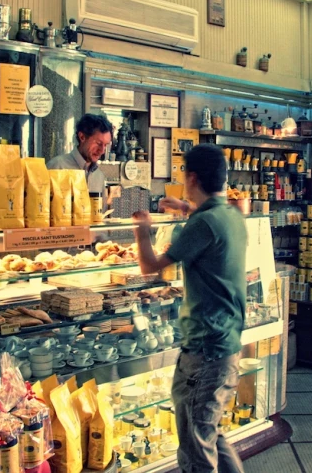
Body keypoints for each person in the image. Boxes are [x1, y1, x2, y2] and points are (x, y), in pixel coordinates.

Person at [132, 143, 247, 473]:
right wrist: (185, 208)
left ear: (193, 177)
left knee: (197, 452)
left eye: (183, 173)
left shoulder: (201, 224)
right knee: (210, 437)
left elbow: (150, 266)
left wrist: (143, 230)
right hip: (225, 346)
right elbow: (209, 224)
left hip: (205, 352)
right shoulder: (231, 215)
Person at [46, 113, 113, 193]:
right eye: (98, 143)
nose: (102, 150)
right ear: (82, 137)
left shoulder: (99, 176)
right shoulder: (57, 167)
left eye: (105, 145)